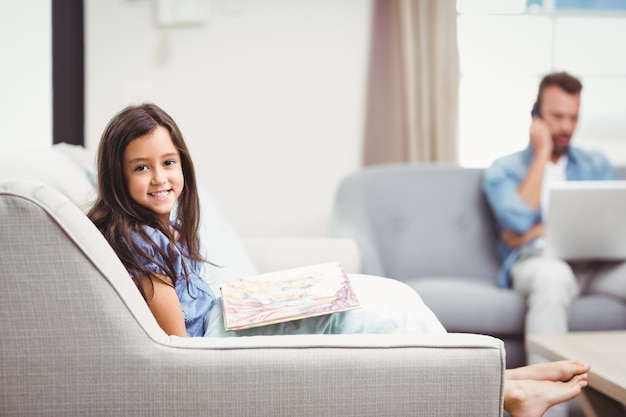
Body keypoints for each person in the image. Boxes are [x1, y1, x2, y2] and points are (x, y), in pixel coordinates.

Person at [88, 103, 589, 417]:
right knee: (380, 314)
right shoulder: (137, 240)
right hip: (222, 334)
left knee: (383, 293)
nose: (160, 178)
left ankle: (496, 384)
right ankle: (502, 394)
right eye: (141, 167)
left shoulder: (157, 227)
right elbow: (179, 348)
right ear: (116, 175)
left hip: (232, 308)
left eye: (169, 162)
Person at [482, 71, 626, 361]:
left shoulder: (596, 164)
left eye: (573, 118)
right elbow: (519, 221)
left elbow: (613, 224)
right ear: (536, 114)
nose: (566, 126)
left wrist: (539, 229)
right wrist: (542, 153)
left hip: (595, 266)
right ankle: (547, 404)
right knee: (554, 277)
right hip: (538, 262)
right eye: (557, 116)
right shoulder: (503, 169)